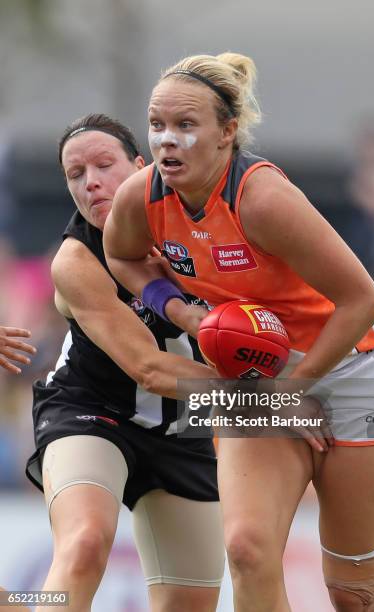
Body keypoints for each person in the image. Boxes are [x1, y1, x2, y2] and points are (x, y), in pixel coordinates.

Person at [103, 53, 374, 612]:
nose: (166, 141)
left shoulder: (262, 198)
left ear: (227, 132)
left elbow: (364, 300)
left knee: (355, 592)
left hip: (353, 369)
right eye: (156, 125)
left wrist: (294, 395)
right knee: (247, 550)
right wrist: (181, 313)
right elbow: (122, 256)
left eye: (185, 126)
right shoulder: (142, 196)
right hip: (255, 378)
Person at [25, 114, 224, 612]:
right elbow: (149, 369)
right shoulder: (74, 262)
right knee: (86, 542)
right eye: (75, 174)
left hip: (184, 430)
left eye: (104, 165)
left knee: (189, 601)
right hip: (90, 413)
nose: (90, 181)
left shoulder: (205, 230)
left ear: (143, 167)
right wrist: (272, 401)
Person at [0, 326, 35, 612]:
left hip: (183, 441)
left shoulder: (200, 301)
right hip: (98, 423)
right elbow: (145, 368)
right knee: (85, 541)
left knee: (188, 592)